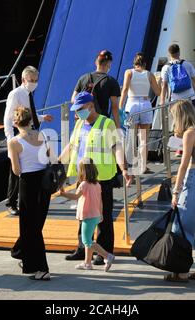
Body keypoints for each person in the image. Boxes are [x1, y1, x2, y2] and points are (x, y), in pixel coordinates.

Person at [60, 92, 132, 264]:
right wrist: (57, 163)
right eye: (75, 110)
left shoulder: (106, 124)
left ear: (91, 106)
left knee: (103, 215)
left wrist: (124, 168)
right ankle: (82, 248)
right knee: (83, 214)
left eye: (80, 109)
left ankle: (103, 251)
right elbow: (71, 146)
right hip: (83, 177)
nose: (76, 113)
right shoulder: (79, 124)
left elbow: (117, 147)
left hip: (102, 178)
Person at [164, 100, 195, 283]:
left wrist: (176, 191)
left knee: (183, 226)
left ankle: (182, 271)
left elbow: (184, 164)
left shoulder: (189, 134)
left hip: (193, 180)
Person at [8, 107, 51, 281]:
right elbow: (50, 157)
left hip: (28, 183)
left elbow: (16, 170)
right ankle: (24, 256)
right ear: (31, 121)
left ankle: (41, 267)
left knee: (29, 226)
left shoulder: (14, 142)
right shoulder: (43, 136)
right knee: (36, 225)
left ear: (15, 123)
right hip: (44, 182)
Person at [4, 66, 53, 216]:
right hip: (19, 137)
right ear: (23, 80)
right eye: (32, 80)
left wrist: (42, 117)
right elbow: (8, 117)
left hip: (30, 132)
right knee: (16, 172)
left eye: (36, 80)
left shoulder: (28, 93)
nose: (34, 83)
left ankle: (27, 199)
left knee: (30, 167)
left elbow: (29, 113)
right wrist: (10, 138)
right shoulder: (15, 94)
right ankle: (11, 202)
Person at [60, 158, 115, 272]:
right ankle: (87, 263)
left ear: (83, 171)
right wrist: (100, 214)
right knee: (88, 239)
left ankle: (107, 256)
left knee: (87, 241)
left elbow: (75, 197)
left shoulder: (83, 184)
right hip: (95, 215)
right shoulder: (97, 184)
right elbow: (100, 201)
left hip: (87, 216)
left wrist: (64, 194)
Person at [119, 53, 161, 174]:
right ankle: (143, 166)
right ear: (145, 63)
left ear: (134, 63)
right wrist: (159, 82)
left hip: (132, 104)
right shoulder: (149, 74)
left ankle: (128, 165)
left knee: (130, 137)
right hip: (145, 104)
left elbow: (125, 90)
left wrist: (121, 107)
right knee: (143, 138)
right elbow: (158, 92)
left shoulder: (129, 72)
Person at [72, 50, 121, 128]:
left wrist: (80, 114)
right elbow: (114, 106)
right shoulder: (112, 81)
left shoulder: (83, 78)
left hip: (83, 121)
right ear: (109, 64)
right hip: (101, 122)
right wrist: (118, 127)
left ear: (96, 62)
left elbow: (73, 100)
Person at [160, 44, 195, 112]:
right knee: (192, 121)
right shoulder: (187, 64)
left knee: (179, 121)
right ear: (179, 52)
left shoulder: (166, 67)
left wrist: (162, 101)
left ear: (169, 54)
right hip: (190, 97)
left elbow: (164, 85)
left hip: (175, 100)